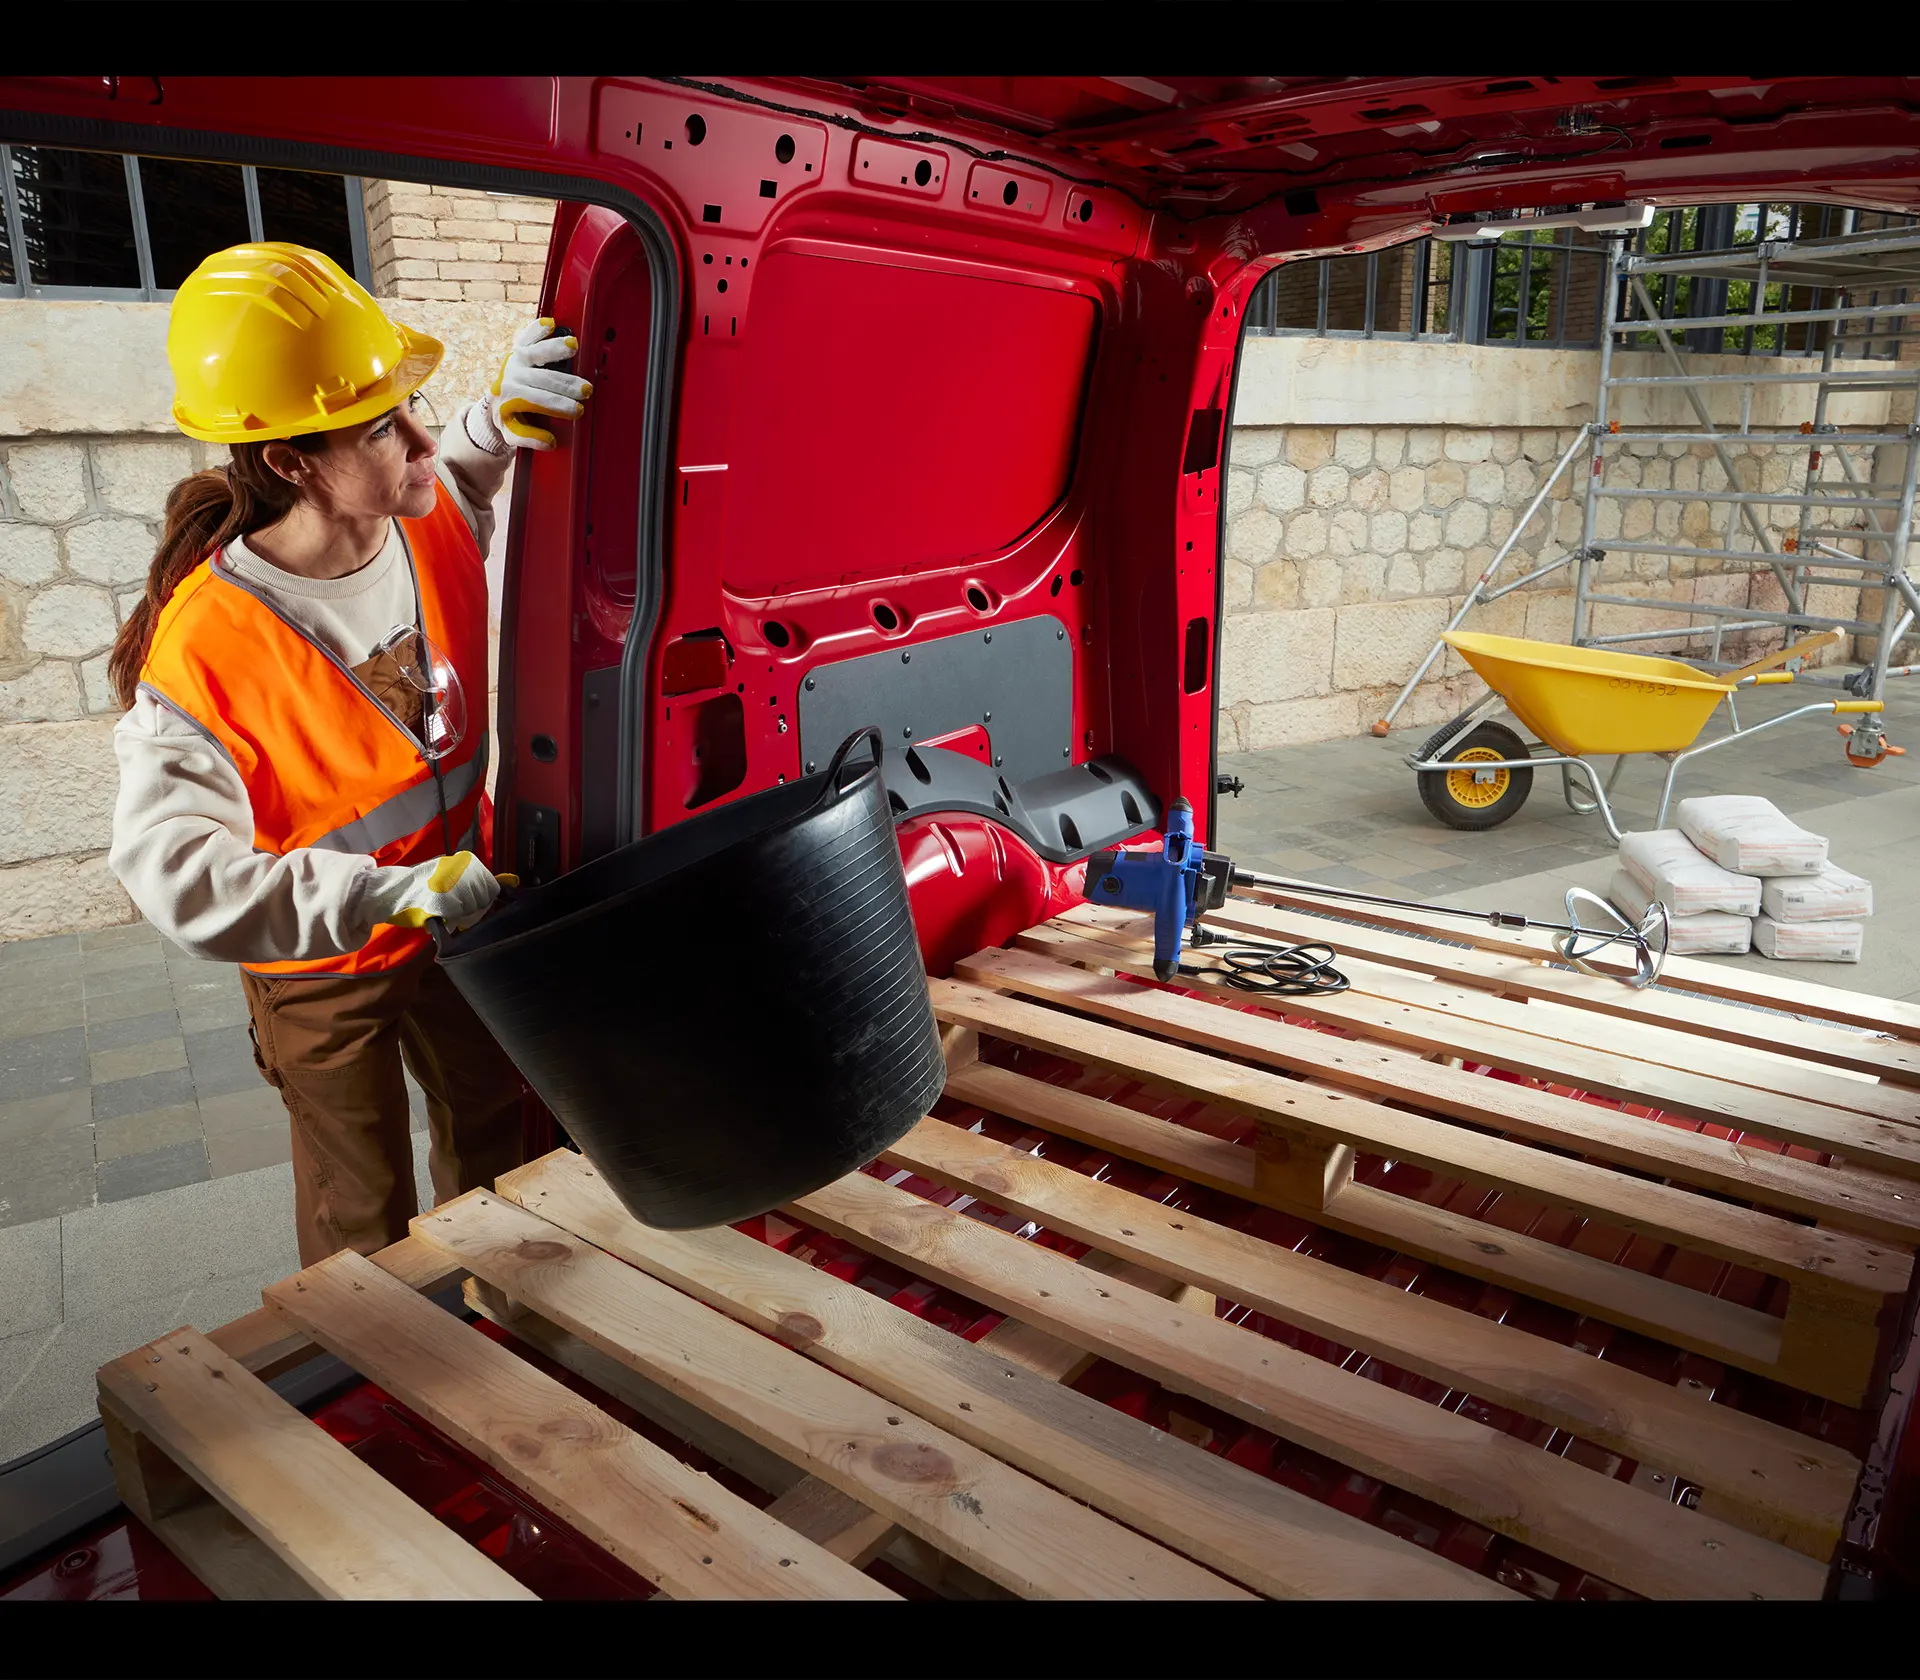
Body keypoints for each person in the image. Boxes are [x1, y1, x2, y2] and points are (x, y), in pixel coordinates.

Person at [106, 241, 592, 1266]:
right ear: (291, 463)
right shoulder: (210, 641)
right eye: (383, 427)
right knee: (359, 1212)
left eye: (415, 409)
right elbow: (173, 876)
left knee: (497, 1145)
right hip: (323, 963)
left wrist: (498, 418)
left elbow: (452, 471)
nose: (419, 442)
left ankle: (500, 1331)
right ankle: (377, 1397)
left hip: (463, 915)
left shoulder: (423, 517)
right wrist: (381, 895)